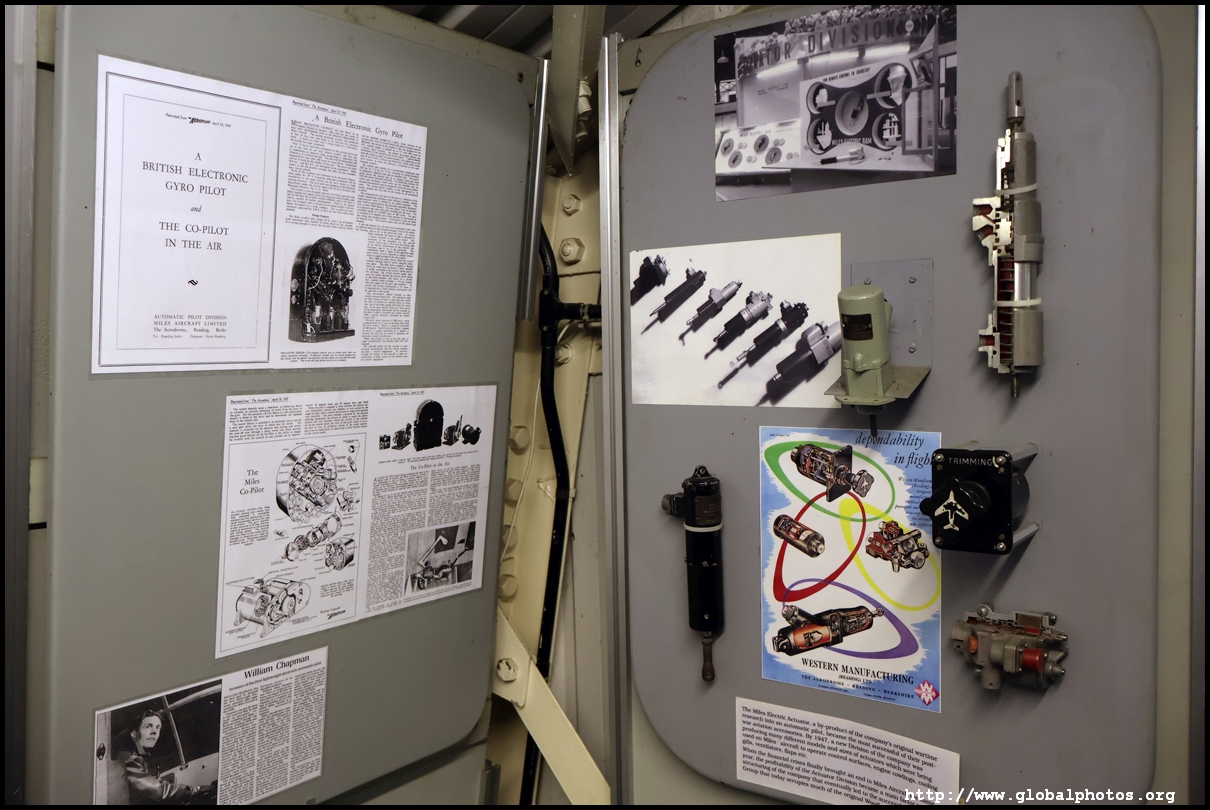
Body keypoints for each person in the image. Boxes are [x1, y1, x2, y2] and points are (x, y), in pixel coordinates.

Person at [118, 709, 214, 804]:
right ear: (134, 733)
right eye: (148, 726)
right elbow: (157, 790)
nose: (154, 732)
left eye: (158, 727)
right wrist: (194, 789)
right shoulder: (129, 757)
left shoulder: (136, 754)